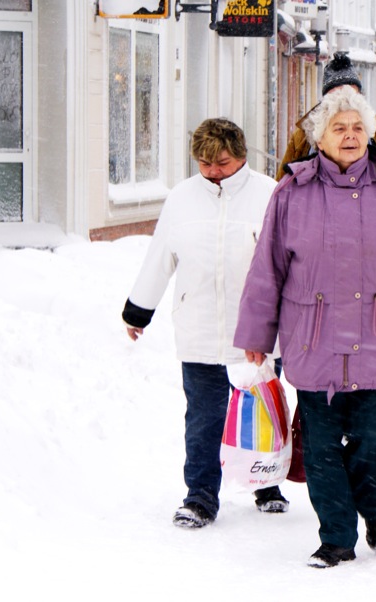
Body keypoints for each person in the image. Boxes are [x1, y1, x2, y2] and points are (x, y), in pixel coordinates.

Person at [233, 87, 376, 569]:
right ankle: (336, 538)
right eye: (339, 128)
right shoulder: (291, 192)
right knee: (320, 450)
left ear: (370, 135)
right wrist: (257, 336)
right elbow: (267, 270)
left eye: (358, 128)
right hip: (312, 342)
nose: (350, 135)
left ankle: (374, 511)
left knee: (372, 450)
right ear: (320, 137)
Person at [121, 118, 279, 529]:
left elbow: (287, 263)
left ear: (242, 156)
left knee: (260, 412)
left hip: (256, 329)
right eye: (204, 164)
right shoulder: (182, 198)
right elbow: (161, 255)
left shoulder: (269, 194)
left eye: (222, 163)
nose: (213, 172)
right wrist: (139, 310)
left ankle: (266, 483)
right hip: (199, 325)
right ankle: (200, 496)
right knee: (204, 418)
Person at [275, 51, 376, 187]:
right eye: (335, 96)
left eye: (350, 94)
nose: (343, 101)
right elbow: (283, 185)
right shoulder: (302, 137)